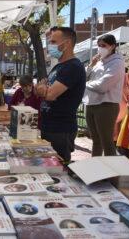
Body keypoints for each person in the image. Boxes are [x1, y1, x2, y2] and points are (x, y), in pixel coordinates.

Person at [35, 27, 86, 162]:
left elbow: (50, 94)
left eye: (53, 42)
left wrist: (44, 90)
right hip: (49, 126)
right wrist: (42, 89)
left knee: (58, 168)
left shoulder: (73, 66)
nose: (49, 46)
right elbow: (39, 89)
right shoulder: (59, 67)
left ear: (67, 43)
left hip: (60, 129)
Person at [83, 34, 125, 157]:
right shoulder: (99, 62)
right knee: (96, 141)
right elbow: (84, 76)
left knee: (107, 142)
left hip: (106, 106)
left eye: (104, 46)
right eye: (99, 45)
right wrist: (91, 65)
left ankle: (111, 175)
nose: (100, 48)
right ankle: (96, 171)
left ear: (112, 46)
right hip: (91, 104)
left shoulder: (117, 63)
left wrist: (85, 84)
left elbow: (102, 86)